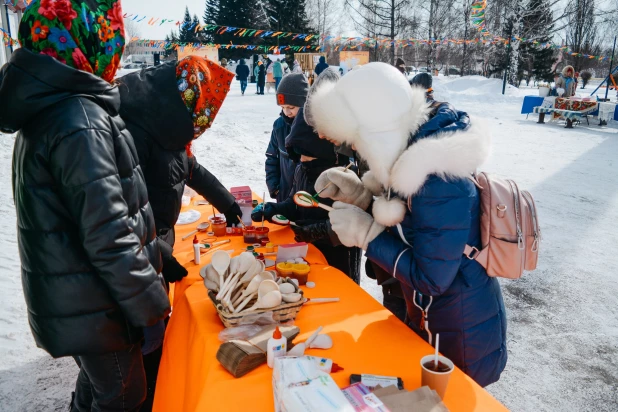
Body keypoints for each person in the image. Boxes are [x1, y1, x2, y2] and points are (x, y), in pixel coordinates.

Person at [0, 1, 171, 411]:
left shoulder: (54, 109)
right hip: (99, 307)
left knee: (99, 388)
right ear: (90, 41)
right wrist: (149, 309)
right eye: (112, 36)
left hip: (82, 301)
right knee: (123, 396)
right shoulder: (79, 117)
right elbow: (109, 234)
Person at [307, 62, 507, 387]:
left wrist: (366, 234)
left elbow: (431, 278)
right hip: (434, 323)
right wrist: (362, 197)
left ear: (377, 131)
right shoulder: (410, 157)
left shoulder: (438, 180)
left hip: (460, 336)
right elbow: (412, 225)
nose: (355, 148)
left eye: (357, 138)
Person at [118, 56, 238, 410]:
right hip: (138, 256)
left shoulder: (170, 128)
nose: (204, 120)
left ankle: (154, 393)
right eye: (203, 109)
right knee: (139, 350)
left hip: (156, 248)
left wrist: (228, 204)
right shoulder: (137, 132)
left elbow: (192, 171)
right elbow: (122, 213)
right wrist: (161, 254)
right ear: (187, 100)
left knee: (155, 334)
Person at [254, 68, 361, 282]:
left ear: (321, 150)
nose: (301, 161)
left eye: (307, 156)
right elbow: (297, 202)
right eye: (298, 155)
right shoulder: (303, 168)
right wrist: (274, 208)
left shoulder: (343, 177)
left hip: (336, 260)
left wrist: (317, 231)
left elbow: (354, 225)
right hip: (307, 255)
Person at [265, 73, 307, 202]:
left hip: (308, 201)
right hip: (284, 196)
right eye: (283, 107)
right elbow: (272, 158)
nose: (286, 112)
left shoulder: (315, 129)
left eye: (291, 107)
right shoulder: (279, 126)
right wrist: (275, 188)